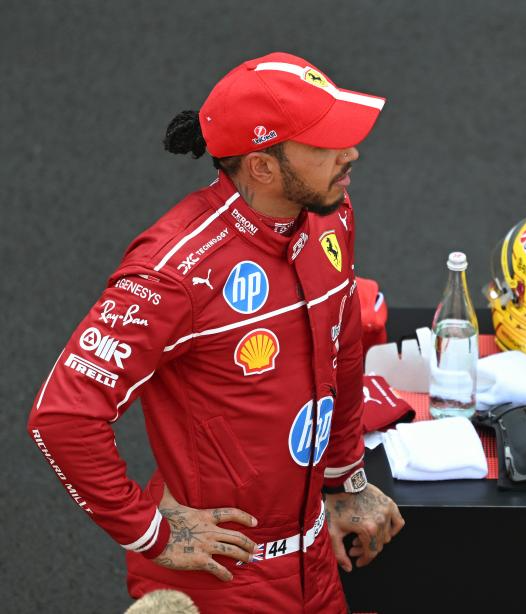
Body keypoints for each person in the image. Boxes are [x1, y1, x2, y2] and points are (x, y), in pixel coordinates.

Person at [27, 52, 404, 613]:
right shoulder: (171, 271)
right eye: (325, 143)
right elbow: (62, 416)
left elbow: (342, 348)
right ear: (262, 166)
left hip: (316, 565)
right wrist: (149, 532)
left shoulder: (331, 214)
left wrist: (344, 478)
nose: (351, 153)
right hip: (222, 578)